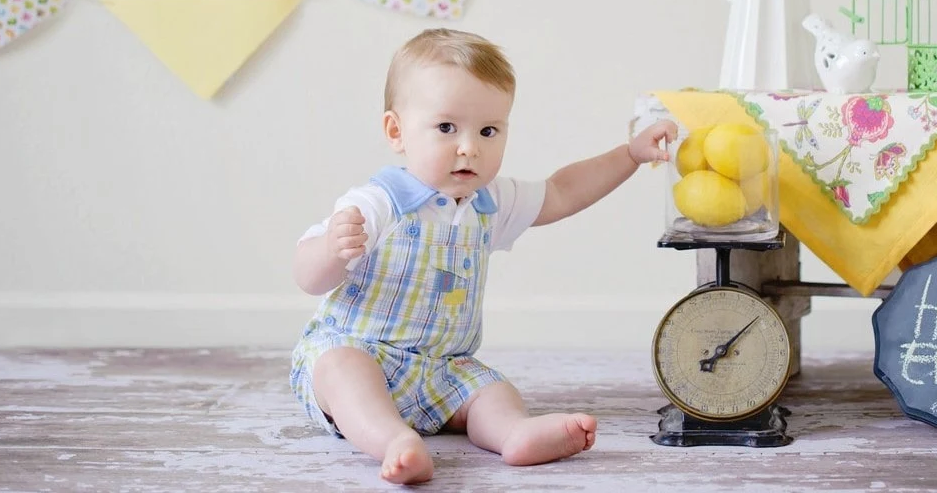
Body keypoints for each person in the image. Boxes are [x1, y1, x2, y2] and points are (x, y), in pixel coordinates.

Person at [289, 28, 677, 484]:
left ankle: (513, 433)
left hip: (441, 368)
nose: (470, 146)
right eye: (447, 128)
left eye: (488, 130)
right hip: (361, 351)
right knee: (341, 370)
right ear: (397, 131)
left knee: (489, 390)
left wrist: (630, 155)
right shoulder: (379, 202)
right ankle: (392, 439)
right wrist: (332, 251)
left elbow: (562, 191)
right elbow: (307, 276)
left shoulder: (488, 201)